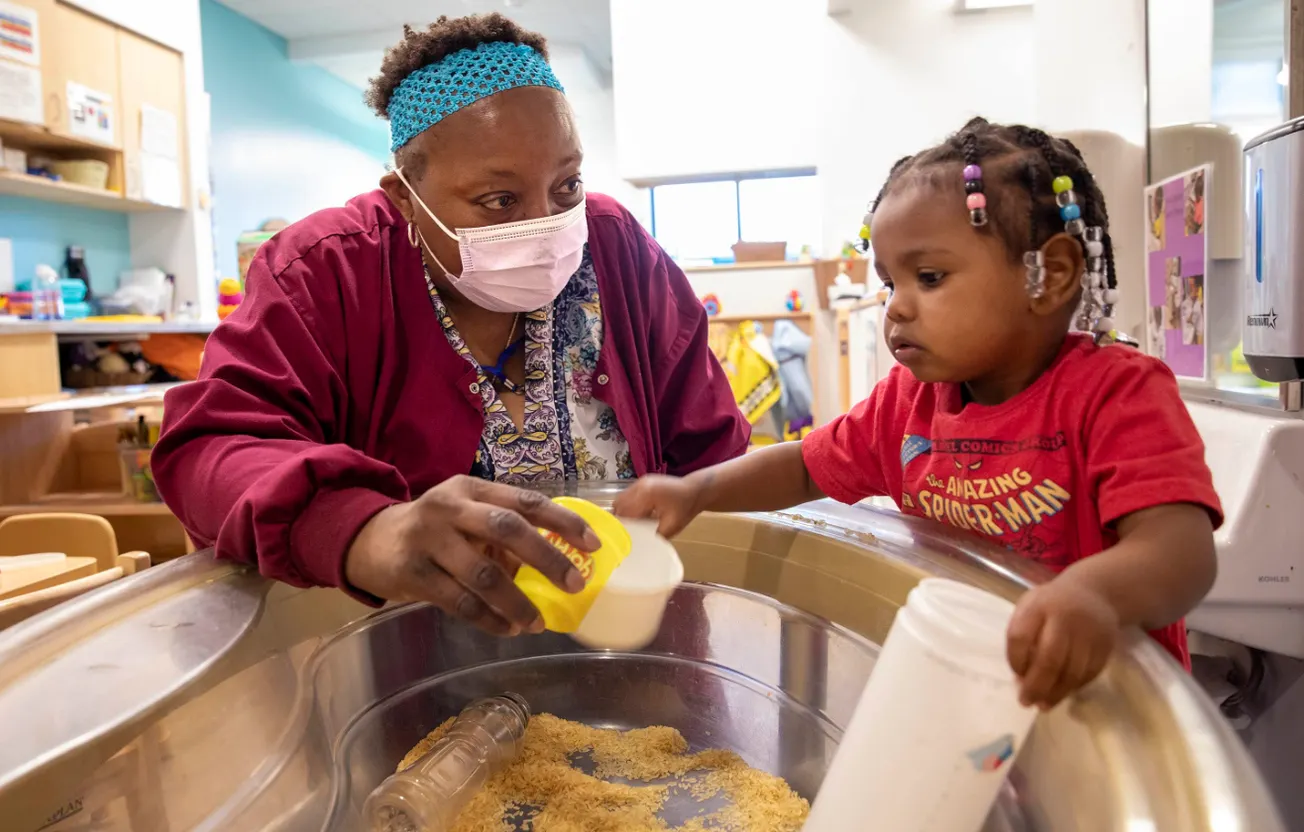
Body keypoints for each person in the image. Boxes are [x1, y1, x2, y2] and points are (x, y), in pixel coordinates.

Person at [153, 14, 748, 637]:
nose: (545, 224)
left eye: (567, 184)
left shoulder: (617, 251)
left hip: (629, 649)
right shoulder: (327, 272)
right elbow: (210, 450)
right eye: (500, 200)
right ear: (405, 196)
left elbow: (713, 460)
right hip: (404, 677)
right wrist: (361, 528)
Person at [614, 118, 1221, 711]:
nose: (896, 309)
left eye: (929, 278)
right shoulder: (908, 403)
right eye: (889, 283)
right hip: (975, 692)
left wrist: (1097, 595)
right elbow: (804, 466)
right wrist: (696, 490)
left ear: (1049, 275)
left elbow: (1182, 552)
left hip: (1103, 705)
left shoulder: (1116, 394)